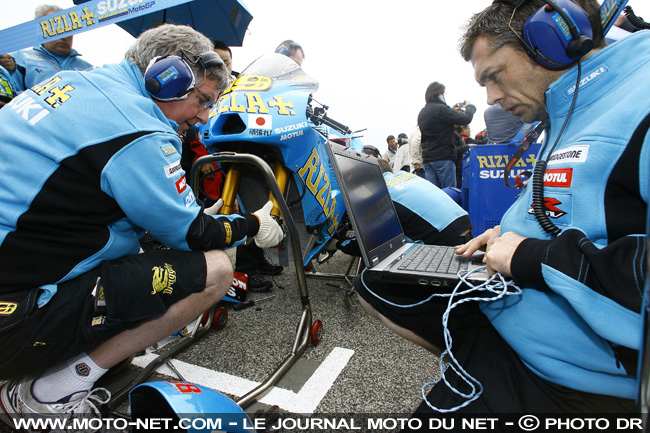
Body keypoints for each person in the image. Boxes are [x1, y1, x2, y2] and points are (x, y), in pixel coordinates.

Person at [359, 0, 649, 419]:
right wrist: (509, 236)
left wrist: (530, 255)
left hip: (572, 381)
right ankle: (467, 363)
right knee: (379, 279)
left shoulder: (639, 103)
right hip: (515, 313)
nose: (492, 99)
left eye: (494, 76)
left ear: (553, 40)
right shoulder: (570, 108)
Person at [0, 24, 284, 425]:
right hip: (13, 320)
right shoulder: (139, 130)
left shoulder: (67, 82)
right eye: (202, 100)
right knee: (216, 270)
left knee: (134, 251)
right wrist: (251, 224)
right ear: (165, 77)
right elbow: (194, 234)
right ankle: (47, 395)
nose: (203, 117)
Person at [2, 5, 93, 93]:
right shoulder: (19, 59)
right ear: (41, 30)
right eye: (55, 29)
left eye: (68, 29)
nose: (63, 37)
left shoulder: (89, 69)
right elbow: (9, 96)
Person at [417, 82, 476, 188]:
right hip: (443, 157)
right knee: (449, 194)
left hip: (428, 159)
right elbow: (466, 119)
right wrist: (470, 106)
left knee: (434, 195)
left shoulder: (422, 112)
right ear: (440, 93)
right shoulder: (442, 109)